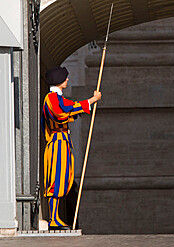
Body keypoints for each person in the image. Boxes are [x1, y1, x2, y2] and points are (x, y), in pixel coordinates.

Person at [41, 66, 101, 230]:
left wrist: (85, 105)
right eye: (65, 78)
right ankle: (53, 219)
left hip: (63, 143)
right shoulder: (51, 98)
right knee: (57, 179)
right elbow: (63, 112)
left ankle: (56, 217)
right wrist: (90, 100)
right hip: (57, 144)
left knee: (64, 179)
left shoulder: (57, 98)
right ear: (59, 81)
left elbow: (70, 109)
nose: (67, 80)